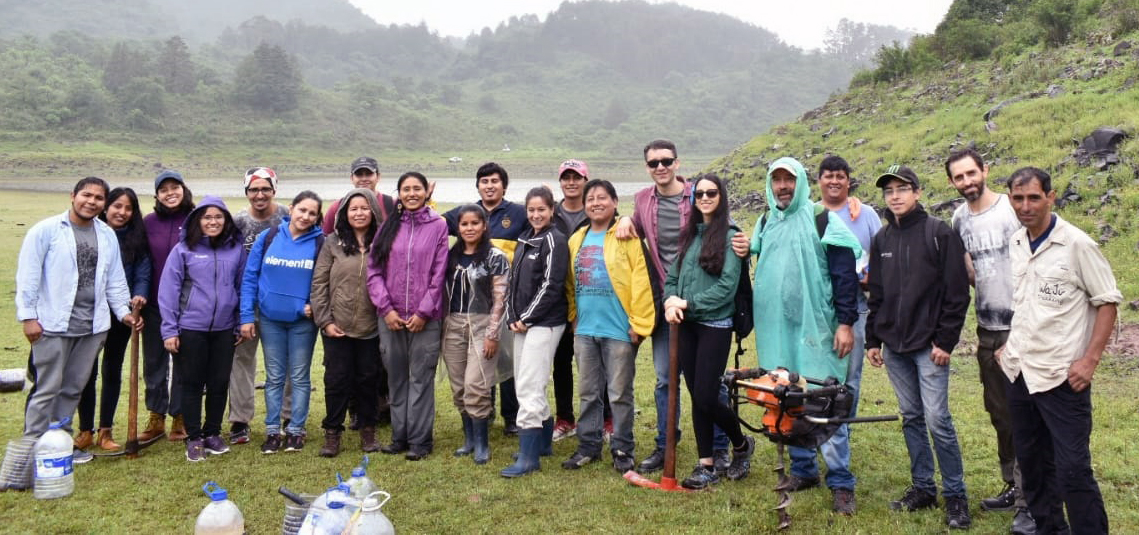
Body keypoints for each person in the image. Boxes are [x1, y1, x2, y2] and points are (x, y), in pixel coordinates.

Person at [736, 157, 862, 512]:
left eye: (788, 180)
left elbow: (844, 276)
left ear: (801, 183)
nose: (782, 187)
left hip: (817, 328)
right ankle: (804, 470)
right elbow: (749, 251)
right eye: (776, 180)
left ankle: (841, 481)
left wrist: (846, 323)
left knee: (824, 397)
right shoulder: (765, 222)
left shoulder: (822, 219)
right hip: (777, 329)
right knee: (785, 394)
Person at [1000, 167, 1119, 535]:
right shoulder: (1017, 242)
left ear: (1051, 197)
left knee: (1072, 471)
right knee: (1033, 468)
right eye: (1018, 199)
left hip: (1062, 378)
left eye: (1034, 197)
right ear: (1010, 200)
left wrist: (1090, 361)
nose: (1026, 206)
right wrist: (1009, 345)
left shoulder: (1077, 244)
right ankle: (1051, 529)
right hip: (1020, 373)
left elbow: (1108, 302)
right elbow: (1026, 302)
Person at [615, 139, 730, 474]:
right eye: (653, 163)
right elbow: (636, 228)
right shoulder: (641, 200)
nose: (660, 167)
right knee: (666, 378)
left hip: (702, 305)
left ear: (677, 163)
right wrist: (625, 218)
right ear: (647, 167)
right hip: (666, 302)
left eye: (666, 161)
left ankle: (720, 447)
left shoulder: (701, 195)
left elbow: (722, 229)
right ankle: (666, 445)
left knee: (710, 382)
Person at [865, 165, 971, 529]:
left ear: (918, 192)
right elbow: (876, 293)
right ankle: (924, 487)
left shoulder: (938, 233)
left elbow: (957, 294)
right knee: (910, 417)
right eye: (888, 190)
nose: (894, 196)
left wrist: (945, 341)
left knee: (937, 419)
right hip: (894, 347)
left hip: (929, 347)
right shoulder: (881, 239)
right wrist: (873, 339)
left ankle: (956, 496)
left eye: (902, 188)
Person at [17, 177, 138, 461]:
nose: (92, 201)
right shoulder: (46, 231)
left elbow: (115, 280)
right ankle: (31, 451)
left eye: (98, 198)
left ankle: (61, 446)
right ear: (73, 196)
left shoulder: (106, 234)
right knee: (47, 389)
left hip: (92, 327)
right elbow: (28, 276)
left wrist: (124, 312)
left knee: (73, 389)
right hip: (52, 325)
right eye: (87, 195)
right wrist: (28, 317)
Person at [945, 149, 1034, 533]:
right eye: (958, 177)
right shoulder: (959, 218)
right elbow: (968, 269)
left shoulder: (1011, 209)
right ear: (952, 182)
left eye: (971, 173)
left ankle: (1032, 499)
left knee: (1028, 415)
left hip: (1024, 328)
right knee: (1000, 413)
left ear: (985, 170)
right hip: (987, 328)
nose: (967, 182)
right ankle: (1012, 487)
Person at [661, 174, 754, 490]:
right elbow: (671, 278)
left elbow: (727, 288)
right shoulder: (690, 237)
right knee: (696, 395)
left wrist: (685, 303)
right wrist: (670, 302)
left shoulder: (731, 237)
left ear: (721, 196)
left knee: (705, 394)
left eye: (711, 193)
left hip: (715, 325)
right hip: (685, 325)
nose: (704, 198)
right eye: (698, 194)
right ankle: (706, 465)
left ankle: (740, 444)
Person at [561, 180, 654, 473]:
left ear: (615, 202)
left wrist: (639, 324)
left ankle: (623, 448)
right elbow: (569, 282)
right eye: (590, 199)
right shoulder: (577, 238)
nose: (595, 203)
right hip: (586, 330)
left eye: (602, 197)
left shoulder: (627, 236)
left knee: (619, 393)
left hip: (619, 330)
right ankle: (588, 446)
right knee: (588, 391)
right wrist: (574, 316)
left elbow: (641, 280)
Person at [367, 172, 449, 460]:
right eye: (406, 189)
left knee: (420, 378)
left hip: (425, 319)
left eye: (417, 188)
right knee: (396, 378)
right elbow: (373, 270)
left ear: (426, 191)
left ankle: (420, 440)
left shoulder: (439, 225)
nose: (412, 193)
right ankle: (399, 437)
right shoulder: (389, 226)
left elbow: (439, 275)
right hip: (390, 318)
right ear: (399, 193)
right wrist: (386, 309)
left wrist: (424, 312)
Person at [158, 196, 247, 461]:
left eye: (218, 217)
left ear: (226, 220)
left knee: (219, 383)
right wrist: (170, 330)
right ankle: (194, 437)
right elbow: (169, 290)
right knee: (192, 383)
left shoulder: (235, 249)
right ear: (197, 220)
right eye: (207, 217)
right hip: (190, 327)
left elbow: (242, 287)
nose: (213, 222)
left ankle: (213, 434)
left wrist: (241, 322)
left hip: (224, 329)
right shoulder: (184, 250)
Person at [443, 162, 528, 437]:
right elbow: (433, 225)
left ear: (504, 185)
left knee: (506, 360)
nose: (489, 185)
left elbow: (539, 229)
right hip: (469, 304)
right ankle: (484, 414)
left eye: (494, 181)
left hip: (508, 299)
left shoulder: (518, 213)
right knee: (481, 364)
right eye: (484, 181)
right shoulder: (464, 211)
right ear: (477, 185)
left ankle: (511, 416)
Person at [241, 191, 324, 454]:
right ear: (291, 208)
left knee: (299, 377)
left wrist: (314, 304)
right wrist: (246, 316)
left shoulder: (320, 242)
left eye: (312, 213)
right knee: (274, 377)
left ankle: (295, 432)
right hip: (270, 320)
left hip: (302, 322)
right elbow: (250, 277)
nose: (306, 217)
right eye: (302, 210)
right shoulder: (270, 237)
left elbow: (324, 281)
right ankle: (272, 432)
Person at [311, 189, 386, 457]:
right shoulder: (332, 242)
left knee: (369, 380)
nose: (359, 213)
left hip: (372, 326)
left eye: (364, 208)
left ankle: (368, 431)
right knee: (337, 380)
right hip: (337, 327)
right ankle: (332, 433)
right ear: (344, 212)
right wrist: (325, 320)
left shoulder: (383, 242)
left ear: (374, 212)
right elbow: (319, 283)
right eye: (353, 208)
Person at [500, 186, 569, 478]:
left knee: (529, 386)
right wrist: (514, 316)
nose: (536, 214)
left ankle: (528, 458)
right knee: (528, 382)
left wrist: (527, 318)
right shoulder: (526, 237)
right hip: (523, 323)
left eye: (542, 209)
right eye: (531, 210)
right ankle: (541, 443)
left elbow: (551, 285)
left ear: (552, 210)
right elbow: (516, 282)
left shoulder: (554, 239)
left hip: (545, 323)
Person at [75, 187, 151, 452]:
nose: (122, 212)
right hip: (90, 313)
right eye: (117, 206)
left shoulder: (137, 238)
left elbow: (143, 271)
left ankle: (105, 432)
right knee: (87, 371)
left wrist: (140, 295)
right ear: (106, 206)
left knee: (112, 370)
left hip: (123, 314)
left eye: (128, 208)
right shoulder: (91, 234)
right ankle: (85, 430)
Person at [440, 204, 510, 465]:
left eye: (474, 224)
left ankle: (482, 443)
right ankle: (468, 439)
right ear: (458, 228)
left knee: (476, 384)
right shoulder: (450, 255)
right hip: (453, 324)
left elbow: (500, 298)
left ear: (484, 226)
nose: (469, 228)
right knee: (458, 386)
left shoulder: (495, 257)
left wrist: (493, 333)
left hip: (483, 325)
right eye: (464, 224)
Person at [228, 167, 290, 445]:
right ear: (246, 192)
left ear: (274, 190)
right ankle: (240, 420)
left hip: (281, 300)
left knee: (284, 361)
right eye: (254, 189)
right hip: (247, 302)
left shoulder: (288, 216)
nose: (260, 194)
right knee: (241, 361)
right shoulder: (237, 222)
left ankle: (290, 415)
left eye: (266, 188)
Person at [140, 169, 194, 443]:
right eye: (164, 189)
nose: (170, 193)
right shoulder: (148, 222)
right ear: (157, 195)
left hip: (188, 305)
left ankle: (180, 418)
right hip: (154, 304)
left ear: (184, 190)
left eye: (175, 187)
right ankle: (156, 417)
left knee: (184, 362)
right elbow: (141, 261)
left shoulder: (196, 220)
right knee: (153, 362)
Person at [550, 159, 590, 442]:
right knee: (561, 361)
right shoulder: (550, 213)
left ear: (585, 181)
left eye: (577, 177)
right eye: (567, 177)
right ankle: (565, 418)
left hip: (591, 297)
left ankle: (605, 418)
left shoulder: (598, 209)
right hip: (557, 299)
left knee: (594, 362)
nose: (571, 182)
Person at [321, 156, 396, 234]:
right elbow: (326, 238)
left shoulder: (392, 205)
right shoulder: (337, 207)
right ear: (352, 178)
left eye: (368, 174)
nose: (364, 179)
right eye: (359, 174)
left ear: (378, 177)